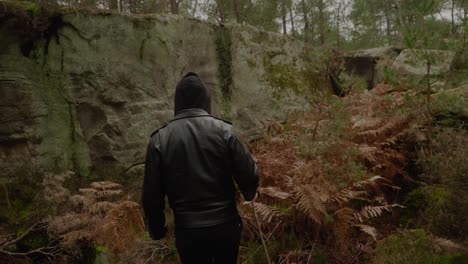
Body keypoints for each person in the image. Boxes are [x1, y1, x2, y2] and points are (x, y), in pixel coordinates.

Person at [142, 72, 259, 264]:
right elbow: (249, 173)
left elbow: (151, 194)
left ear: (177, 102)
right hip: (226, 225)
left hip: (188, 231)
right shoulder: (225, 131)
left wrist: (157, 229)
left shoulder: (159, 140)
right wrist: (249, 192)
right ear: (206, 100)